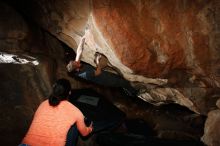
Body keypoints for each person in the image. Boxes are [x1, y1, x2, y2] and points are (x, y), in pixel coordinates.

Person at [21, 78, 93, 146]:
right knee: (74, 127)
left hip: (26, 144)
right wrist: (90, 128)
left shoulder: (42, 104)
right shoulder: (75, 111)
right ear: (69, 92)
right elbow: (84, 133)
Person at [66, 31, 137, 97]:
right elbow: (98, 72)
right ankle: (133, 92)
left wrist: (83, 38)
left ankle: (126, 88)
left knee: (118, 78)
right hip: (104, 80)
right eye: (76, 63)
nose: (77, 61)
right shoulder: (86, 74)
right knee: (122, 82)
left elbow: (79, 51)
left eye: (74, 61)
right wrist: (97, 61)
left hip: (104, 74)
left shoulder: (76, 66)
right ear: (77, 69)